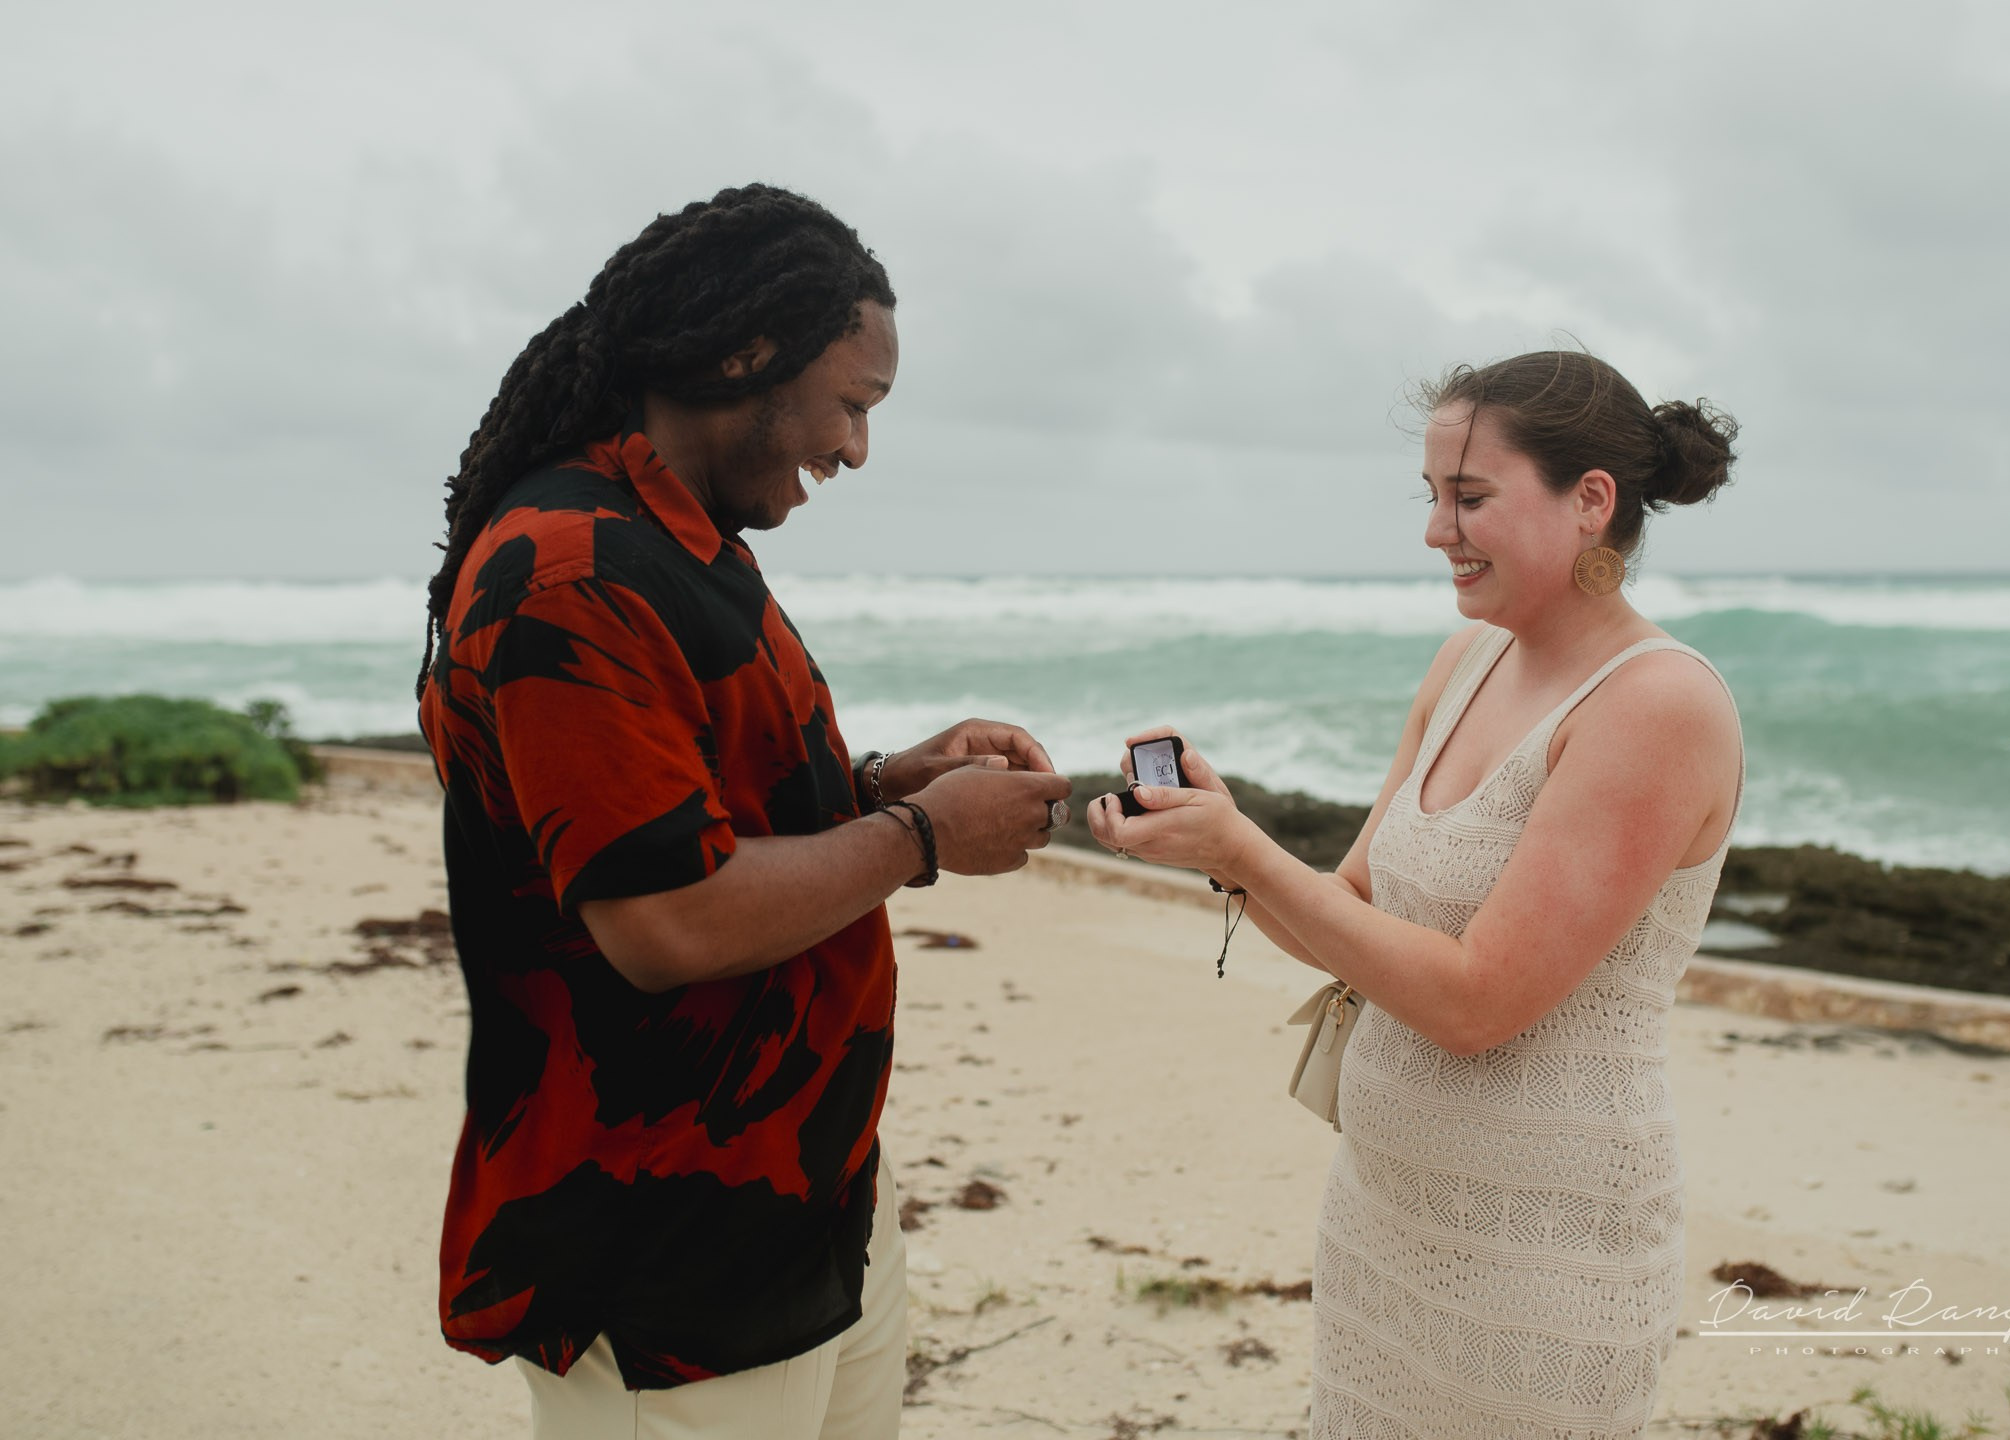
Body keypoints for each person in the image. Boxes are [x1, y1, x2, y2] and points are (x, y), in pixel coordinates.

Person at [416, 184, 1072, 1440]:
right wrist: (927, 840)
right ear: (744, 356)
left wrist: (883, 783)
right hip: (663, 1252)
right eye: (854, 404)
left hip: (805, 1197)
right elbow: (662, 920)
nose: (856, 450)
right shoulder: (571, 569)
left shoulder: (679, 539)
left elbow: (692, 806)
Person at [1089, 350, 1744, 1437]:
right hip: (1383, 1218)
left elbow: (1476, 1005)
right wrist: (1216, 841)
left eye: (1470, 497)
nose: (1436, 530)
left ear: (1591, 503)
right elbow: (1352, 913)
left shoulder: (1657, 705)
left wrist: (1248, 854)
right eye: (1433, 495)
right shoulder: (1465, 664)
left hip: (1540, 1257)